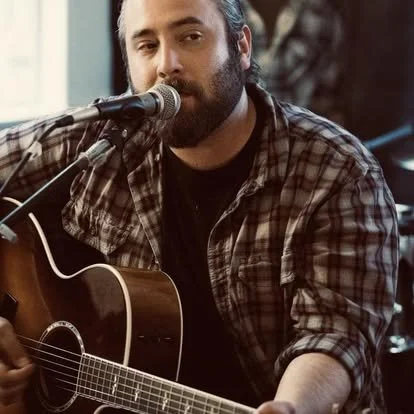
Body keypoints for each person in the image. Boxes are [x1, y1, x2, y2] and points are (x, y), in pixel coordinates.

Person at [0, 0, 398, 413]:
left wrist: (292, 407)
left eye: (190, 37)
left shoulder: (337, 169)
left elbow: (335, 335)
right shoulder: (96, 140)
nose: (166, 65)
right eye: (147, 45)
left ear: (241, 47)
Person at [242, 0, 345, 124]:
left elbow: (327, 95)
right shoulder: (225, 9)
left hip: (302, 129)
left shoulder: (321, 13)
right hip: (236, 130)